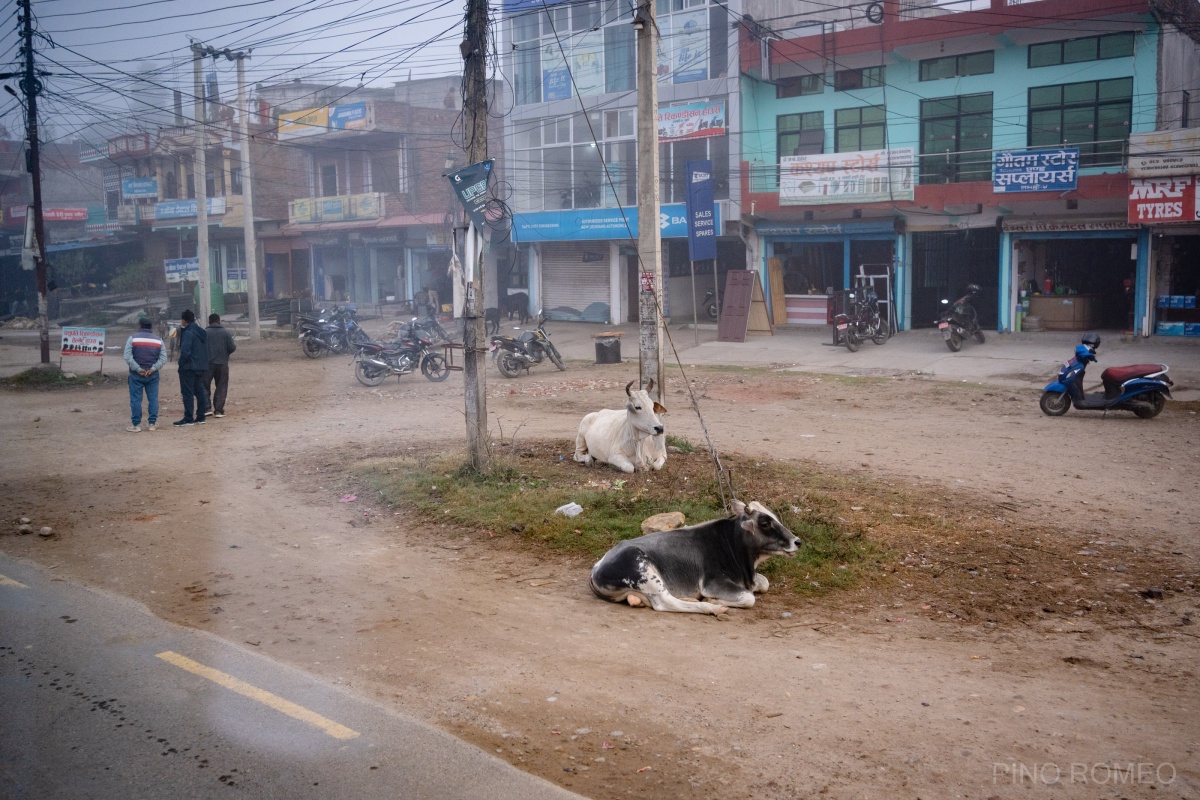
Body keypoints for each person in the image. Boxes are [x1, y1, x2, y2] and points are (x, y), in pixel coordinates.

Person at [122, 316, 166, 432]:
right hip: (152, 375)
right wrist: (153, 368)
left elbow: (127, 356)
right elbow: (163, 358)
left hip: (136, 375)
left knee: (136, 399)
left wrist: (138, 369)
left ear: (140, 326)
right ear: (151, 326)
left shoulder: (132, 339)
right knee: (153, 399)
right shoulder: (158, 340)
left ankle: (136, 425)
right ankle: (152, 424)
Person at [173, 309, 208, 427]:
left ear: (184, 320)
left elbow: (185, 352)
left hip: (188, 367)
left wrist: (181, 364)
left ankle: (188, 418)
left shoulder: (188, 332)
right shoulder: (201, 332)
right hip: (200, 366)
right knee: (200, 392)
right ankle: (201, 416)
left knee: (187, 393)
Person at [202, 313, 237, 419]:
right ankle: (218, 410)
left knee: (204, 385)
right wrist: (225, 353)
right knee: (221, 386)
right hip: (222, 364)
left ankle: (207, 408)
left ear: (209, 322)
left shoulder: (204, 333)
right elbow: (232, 347)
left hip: (207, 365)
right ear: (219, 321)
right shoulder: (226, 332)